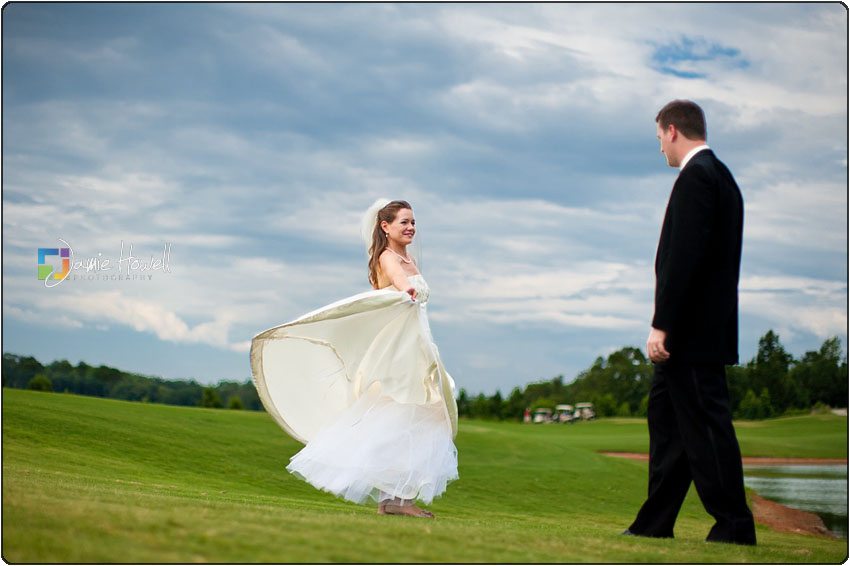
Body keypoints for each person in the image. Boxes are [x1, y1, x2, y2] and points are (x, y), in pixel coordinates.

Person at [250, 199, 459, 518]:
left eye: (413, 222)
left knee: (420, 416)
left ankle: (394, 498)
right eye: (404, 222)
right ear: (385, 227)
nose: (411, 227)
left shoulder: (409, 257)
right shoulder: (388, 258)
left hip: (415, 342)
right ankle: (396, 499)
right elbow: (401, 287)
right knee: (406, 413)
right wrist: (408, 291)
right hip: (400, 348)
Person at [622, 100, 757, 545]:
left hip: (692, 335)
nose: (659, 145)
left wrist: (662, 325)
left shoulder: (698, 178)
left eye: (659, 135)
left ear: (674, 130)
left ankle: (734, 526)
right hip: (697, 332)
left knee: (707, 428)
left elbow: (685, 258)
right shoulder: (721, 177)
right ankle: (654, 523)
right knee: (668, 425)